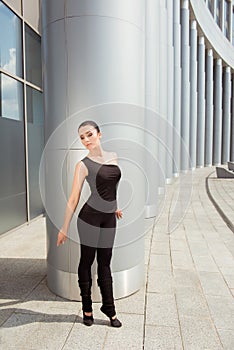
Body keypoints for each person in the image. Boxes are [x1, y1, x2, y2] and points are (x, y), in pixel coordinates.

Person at [57, 120, 123, 327]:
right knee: (87, 261)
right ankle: (87, 307)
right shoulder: (82, 165)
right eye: (82, 137)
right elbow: (73, 198)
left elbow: (112, 187)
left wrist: (115, 206)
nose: (86, 140)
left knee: (105, 262)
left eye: (89, 134)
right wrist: (64, 227)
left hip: (108, 218)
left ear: (99, 134)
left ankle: (109, 308)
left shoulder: (113, 157)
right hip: (89, 218)